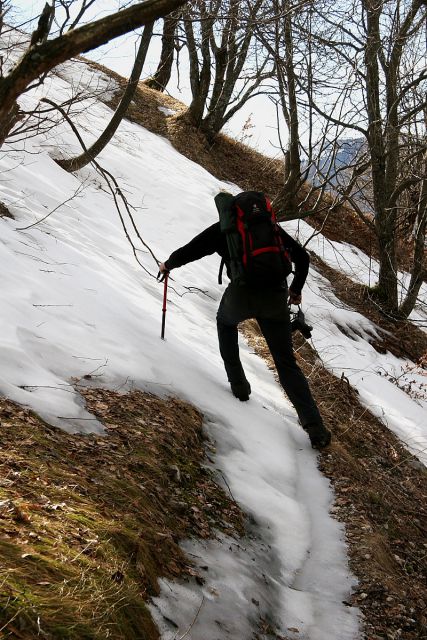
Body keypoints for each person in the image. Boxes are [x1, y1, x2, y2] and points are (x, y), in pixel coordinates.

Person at [159, 192, 331, 449]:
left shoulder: (225, 229)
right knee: (286, 363)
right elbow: (303, 258)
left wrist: (169, 264)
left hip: (241, 295)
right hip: (275, 297)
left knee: (225, 323)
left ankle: (239, 385)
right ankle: (315, 428)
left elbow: (192, 250)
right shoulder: (271, 229)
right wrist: (295, 291)